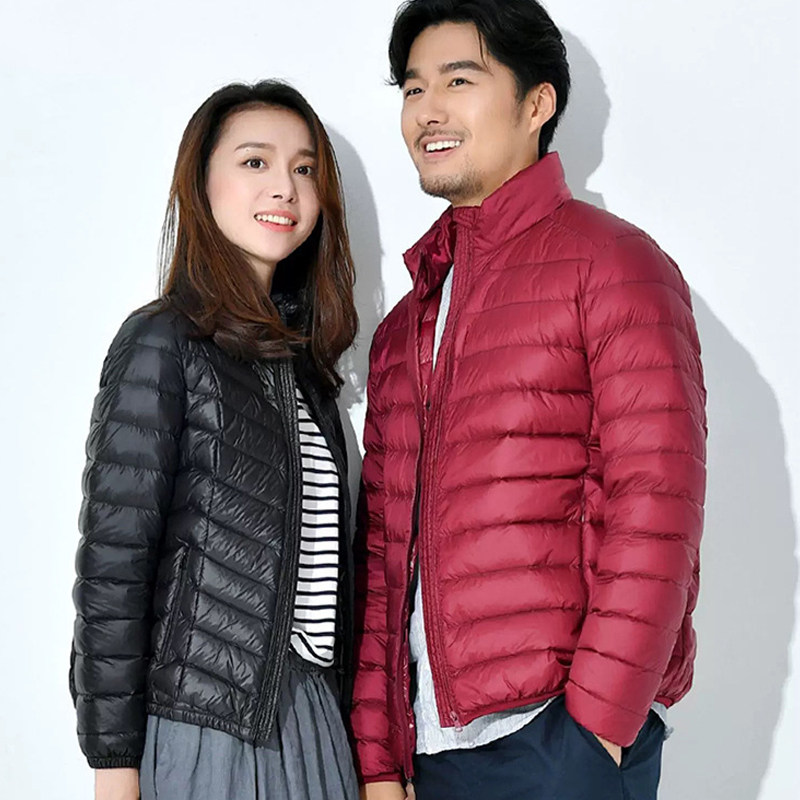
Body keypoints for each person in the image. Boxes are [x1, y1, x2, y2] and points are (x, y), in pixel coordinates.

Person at [350, 2, 707, 799]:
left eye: (459, 81)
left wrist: (596, 731)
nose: (428, 110)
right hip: (424, 753)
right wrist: (376, 756)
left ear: (537, 103)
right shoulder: (404, 326)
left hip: (554, 742)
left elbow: (657, 507)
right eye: (413, 88)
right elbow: (380, 557)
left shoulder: (613, 264)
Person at [69, 80, 360, 800]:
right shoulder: (163, 340)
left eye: (303, 168)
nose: (284, 187)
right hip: (207, 728)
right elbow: (114, 567)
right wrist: (114, 765)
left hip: (315, 722)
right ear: (202, 186)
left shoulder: (306, 372)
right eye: (255, 162)